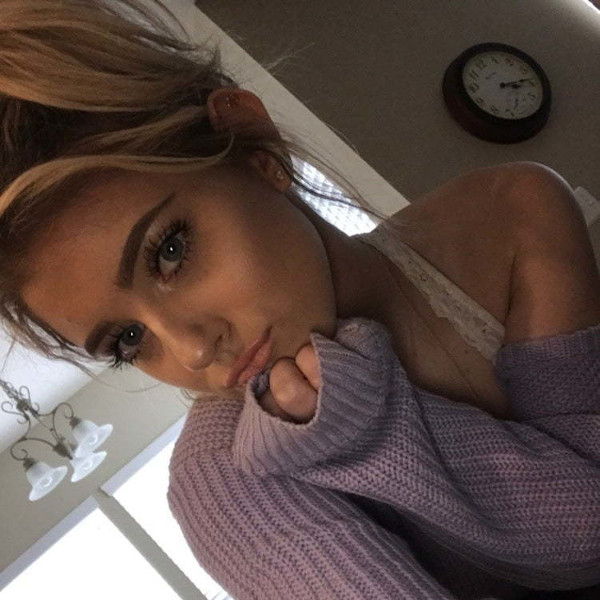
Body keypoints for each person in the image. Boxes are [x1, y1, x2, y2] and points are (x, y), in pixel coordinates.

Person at [1, 1, 599, 598]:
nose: (191, 351)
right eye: (128, 340)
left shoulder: (514, 213)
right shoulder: (223, 474)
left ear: (253, 148)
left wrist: (371, 434)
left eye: (171, 251)